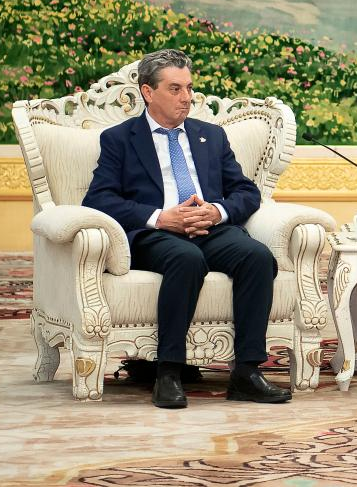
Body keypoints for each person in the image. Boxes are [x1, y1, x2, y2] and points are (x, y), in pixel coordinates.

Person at [83, 49, 290, 409]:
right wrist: (160, 217)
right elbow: (98, 199)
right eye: (175, 89)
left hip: (209, 228)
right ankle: (168, 372)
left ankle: (246, 372)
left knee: (256, 256)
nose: (187, 97)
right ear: (148, 92)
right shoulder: (120, 139)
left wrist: (216, 211)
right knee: (186, 258)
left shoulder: (211, 136)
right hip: (156, 234)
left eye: (189, 88)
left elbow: (246, 192)